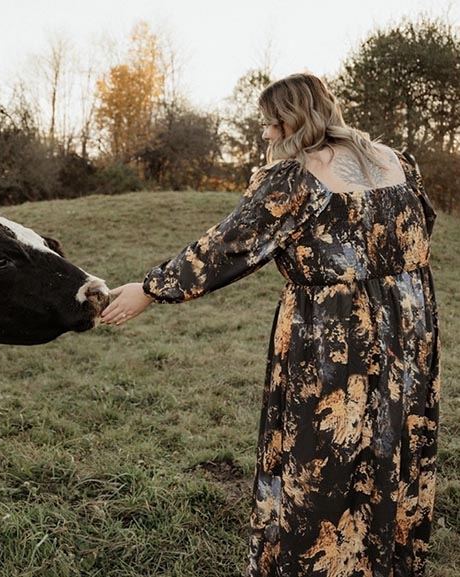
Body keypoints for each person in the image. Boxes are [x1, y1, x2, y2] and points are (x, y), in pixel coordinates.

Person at [101, 73, 440, 576]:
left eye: (270, 123)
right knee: (392, 441)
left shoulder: (294, 179)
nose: (265, 135)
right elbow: (423, 225)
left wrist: (149, 289)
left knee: (326, 448)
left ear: (294, 120)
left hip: (333, 333)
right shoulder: (395, 161)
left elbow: (227, 247)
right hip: (409, 327)